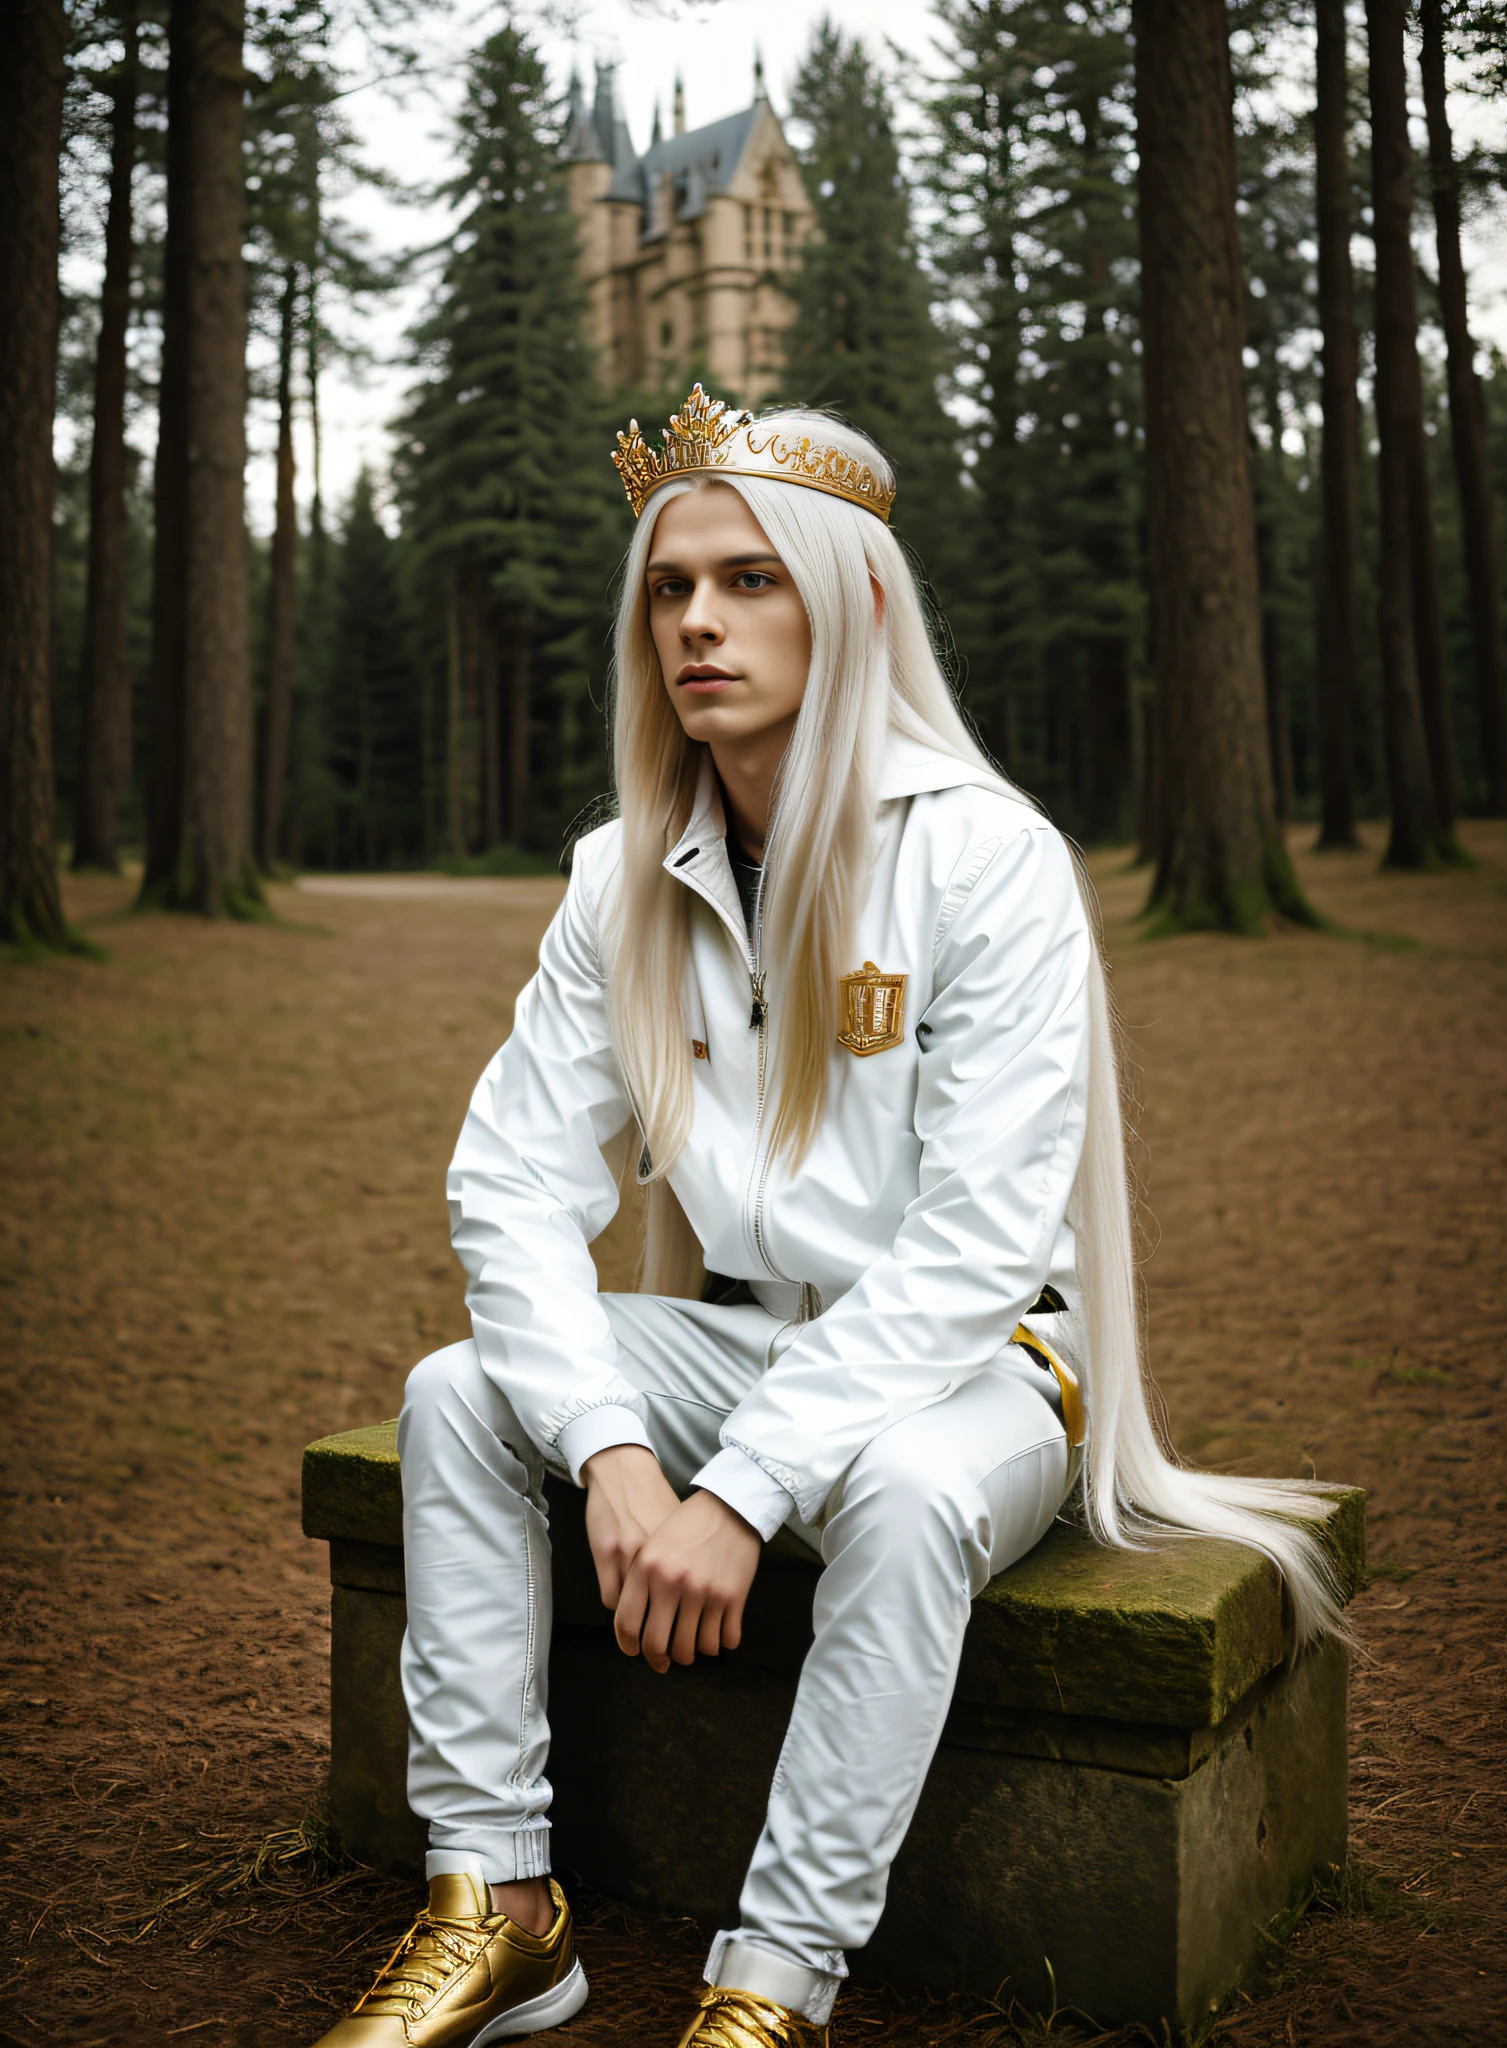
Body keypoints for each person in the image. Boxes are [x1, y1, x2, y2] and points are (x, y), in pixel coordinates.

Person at [313, 388, 1340, 2048]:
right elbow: (509, 1176)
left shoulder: (989, 861)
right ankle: (498, 1902)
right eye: (669, 588)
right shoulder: (616, 875)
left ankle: (771, 1987)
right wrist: (619, 1455)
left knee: (920, 1494)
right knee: (455, 1395)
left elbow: (974, 1248)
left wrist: (741, 1489)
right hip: (740, 1344)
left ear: (854, 599)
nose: (700, 623)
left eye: (750, 579)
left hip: (982, 1369)